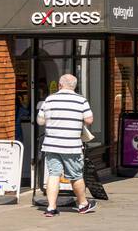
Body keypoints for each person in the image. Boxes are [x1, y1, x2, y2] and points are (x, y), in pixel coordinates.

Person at [36, 73, 96, 217]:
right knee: (75, 175)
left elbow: (40, 121)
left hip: (51, 145)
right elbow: (89, 120)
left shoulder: (49, 100)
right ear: (74, 86)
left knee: (53, 174)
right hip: (71, 145)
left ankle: (51, 207)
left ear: (60, 85)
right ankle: (83, 204)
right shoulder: (81, 100)